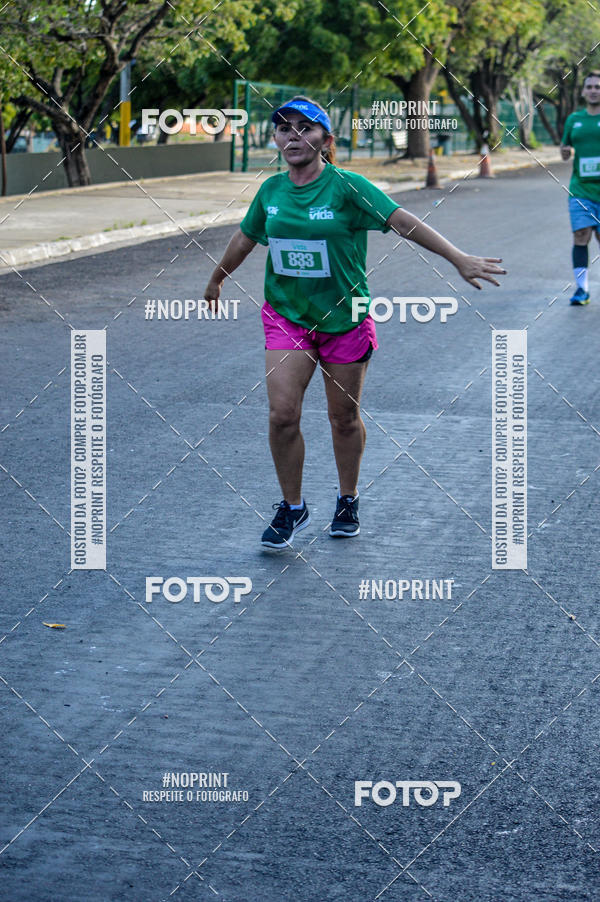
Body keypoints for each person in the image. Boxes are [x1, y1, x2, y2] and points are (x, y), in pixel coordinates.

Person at [204, 96, 505, 550]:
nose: (293, 136)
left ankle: (348, 499)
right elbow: (246, 237)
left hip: (345, 319)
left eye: (305, 128)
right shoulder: (271, 191)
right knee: (282, 415)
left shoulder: (348, 187)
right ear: (276, 139)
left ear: (326, 139)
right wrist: (217, 278)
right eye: (284, 128)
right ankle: (292, 507)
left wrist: (457, 257)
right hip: (287, 316)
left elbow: (403, 221)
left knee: (343, 417)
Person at [561, 71, 600, 305]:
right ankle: (582, 289)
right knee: (581, 235)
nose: (594, 90)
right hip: (580, 189)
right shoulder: (574, 119)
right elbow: (564, 149)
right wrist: (565, 152)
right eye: (590, 87)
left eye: (598, 87)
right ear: (584, 91)